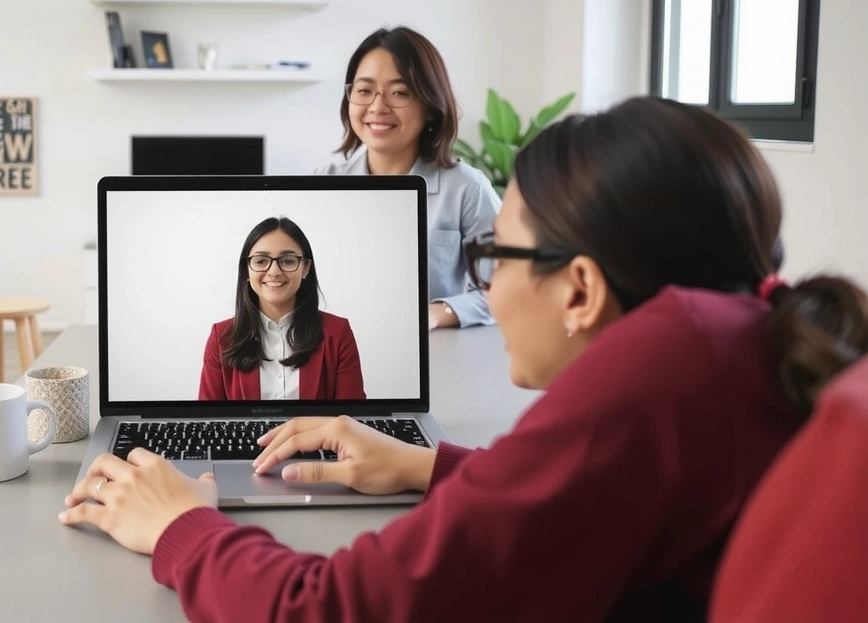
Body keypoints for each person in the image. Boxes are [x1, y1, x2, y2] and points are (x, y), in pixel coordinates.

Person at [59, 97, 868, 622]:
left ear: (579, 289)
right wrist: (426, 466)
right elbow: (584, 498)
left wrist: (182, 526)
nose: (486, 280)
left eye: (496, 255)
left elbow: (332, 608)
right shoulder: (729, 336)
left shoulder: (648, 377)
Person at [317, 26, 500, 330]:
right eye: (364, 91)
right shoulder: (324, 184)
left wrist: (433, 314)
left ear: (430, 105)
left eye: (400, 93)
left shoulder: (467, 189)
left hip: (438, 356)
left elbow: (504, 288)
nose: (377, 107)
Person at [197, 216, 366, 401]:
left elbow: (352, 420)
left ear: (305, 268)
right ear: (246, 269)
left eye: (287, 261)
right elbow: (208, 418)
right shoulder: (221, 337)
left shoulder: (337, 333)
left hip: (318, 432)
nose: (274, 271)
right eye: (261, 261)